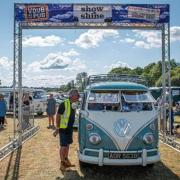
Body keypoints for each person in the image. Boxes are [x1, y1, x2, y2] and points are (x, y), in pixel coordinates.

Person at [53, 89, 79, 172]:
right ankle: (62, 164)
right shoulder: (64, 104)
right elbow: (58, 116)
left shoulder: (74, 104)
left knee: (67, 145)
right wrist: (57, 127)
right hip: (63, 128)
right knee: (63, 146)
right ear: (71, 95)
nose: (78, 96)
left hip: (70, 128)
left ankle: (66, 160)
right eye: (77, 95)